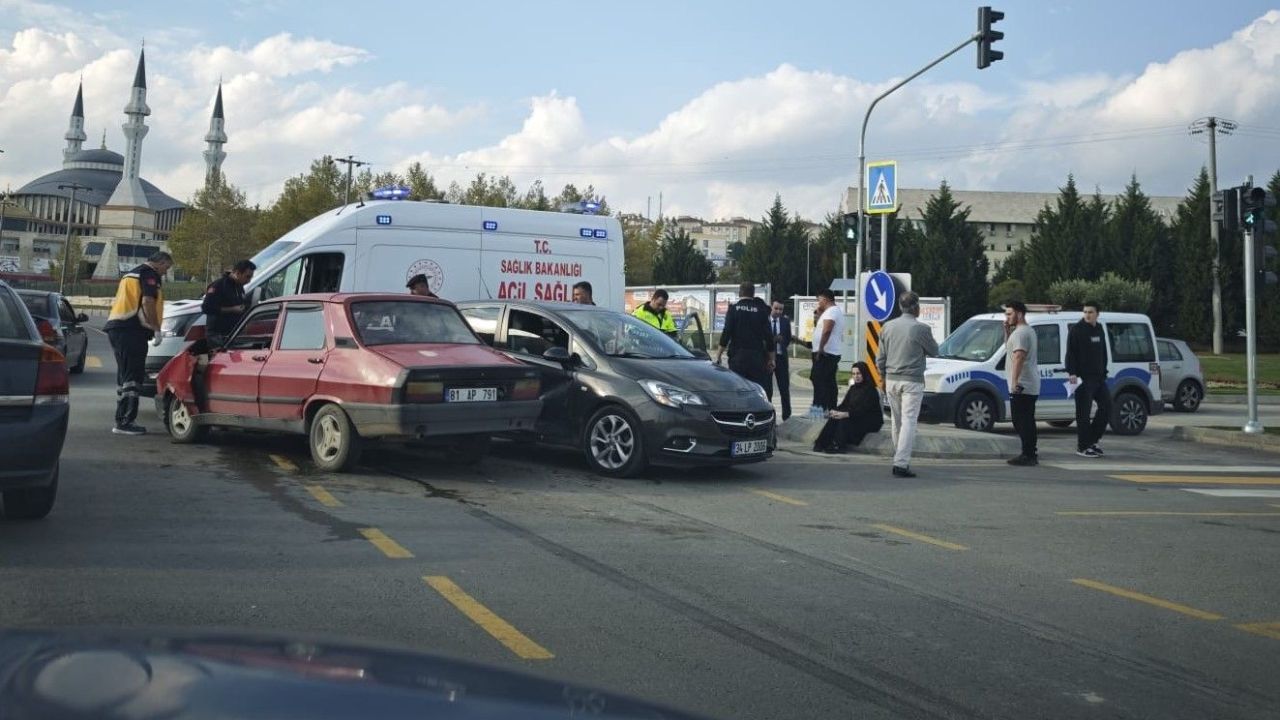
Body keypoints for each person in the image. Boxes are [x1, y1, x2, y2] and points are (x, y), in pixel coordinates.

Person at [105, 250, 173, 435]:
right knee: (133, 377)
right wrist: (156, 328)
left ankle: (122, 419)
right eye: (166, 267)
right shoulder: (149, 274)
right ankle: (125, 422)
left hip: (119, 328)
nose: (165, 272)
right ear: (159, 263)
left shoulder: (131, 273)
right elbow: (148, 302)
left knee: (125, 377)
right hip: (132, 330)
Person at [875, 291, 939, 478]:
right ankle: (901, 463)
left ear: (900, 307)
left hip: (892, 379)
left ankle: (898, 455)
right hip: (912, 381)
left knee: (897, 421)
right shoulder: (921, 329)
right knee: (909, 421)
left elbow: (881, 357)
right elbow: (935, 351)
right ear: (916, 307)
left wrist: (882, 376)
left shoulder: (887, 327)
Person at [1066, 301, 1110, 458]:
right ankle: (1083, 446)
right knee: (1083, 413)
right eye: (1085, 312)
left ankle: (1093, 440)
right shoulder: (1077, 330)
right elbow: (1070, 353)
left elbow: (1103, 352)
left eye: (1090, 312)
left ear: (1098, 313)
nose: (1087, 315)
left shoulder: (1099, 328)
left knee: (1107, 407)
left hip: (1099, 378)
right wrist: (1072, 373)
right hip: (1083, 378)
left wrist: (1104, 371)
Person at [716, 282, 775, 391]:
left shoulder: (733, 309)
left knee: (737, 391)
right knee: (756, 391)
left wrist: (719, 354)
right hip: (756, 359)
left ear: (740, 293)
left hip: (737, 358)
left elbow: (726, 333)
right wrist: (771, 359)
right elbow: (768, 336)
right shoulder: (761, 311)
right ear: (753, 294)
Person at [813, 362, 883, 453]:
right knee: (834, 418)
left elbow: (862, 410)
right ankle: (821, 443)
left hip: (869, 420)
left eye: (858, 373)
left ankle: (838, 446)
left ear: (864, 374)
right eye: (853, 374)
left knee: (844, 420)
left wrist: (845, 414)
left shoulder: (870, 390)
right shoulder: (853, 388)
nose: (856, 376)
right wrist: (834, 412)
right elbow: (844, 405)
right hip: (856, 415)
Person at [1004, 300, 1040, 466]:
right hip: (1028, 383)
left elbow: (1018, 357)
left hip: (1022, 385)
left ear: (1019, 314)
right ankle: (1030, 452)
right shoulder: (1026, 331)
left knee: (1021, 420)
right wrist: (1006, 332)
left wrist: (1014, 382)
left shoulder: (1020, 333)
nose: (1007, 317)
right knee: (1027, 419)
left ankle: (1028, 454)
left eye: (1010, 314)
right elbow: (1011, 351)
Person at [201, 259, 256, 346]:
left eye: (250, 277)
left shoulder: (239, 287)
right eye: (247, 277)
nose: (249, 281)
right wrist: (232, 309)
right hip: (218, 336)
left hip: (233, 334)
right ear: (237, 273)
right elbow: (206, 308)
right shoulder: (219, 285)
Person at [810, 289, 844, 412]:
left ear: (825, 299)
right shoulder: (832, 311)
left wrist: (820, 348)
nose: (818, 303)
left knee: (819, 380)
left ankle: (818, 410)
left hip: (825, 353)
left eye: (819, 300)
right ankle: (830, 409)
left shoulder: (832, 312)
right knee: (828, 381)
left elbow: (827, 330)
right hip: (829, 353)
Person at [768, 300, 793, 420]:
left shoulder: (785, 321)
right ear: (771, 307)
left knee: (784, 388)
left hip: (781, 358)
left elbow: (788, 338)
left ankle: (787, 416)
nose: (778, 311)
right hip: (767, 359)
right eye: (776, 308)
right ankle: (769, 417)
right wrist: (773, 340)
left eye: (781, 309)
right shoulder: (765, 321)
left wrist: (782, 344)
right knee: (768, 389)